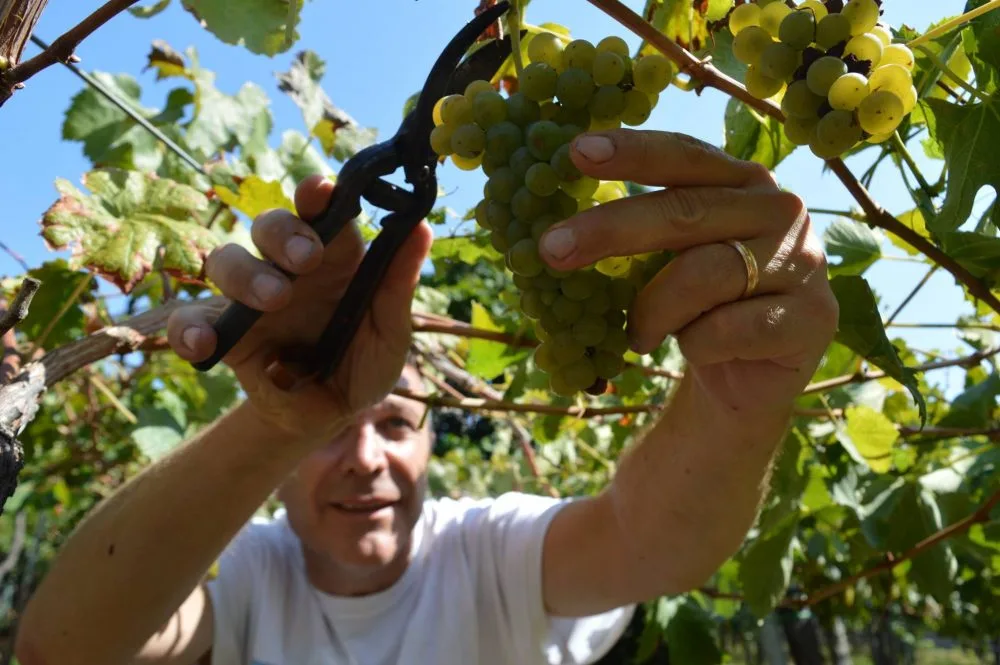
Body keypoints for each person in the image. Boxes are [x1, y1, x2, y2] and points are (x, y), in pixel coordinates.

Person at [15, 128, 838, 665]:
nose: (366, 457)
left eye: (398, 421)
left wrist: (737, 400)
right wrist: (280, 418)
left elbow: (651, 543)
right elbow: (63, 649)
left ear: (434, 442)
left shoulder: (488, 552)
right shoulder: (248, 580)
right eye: (336, 435)